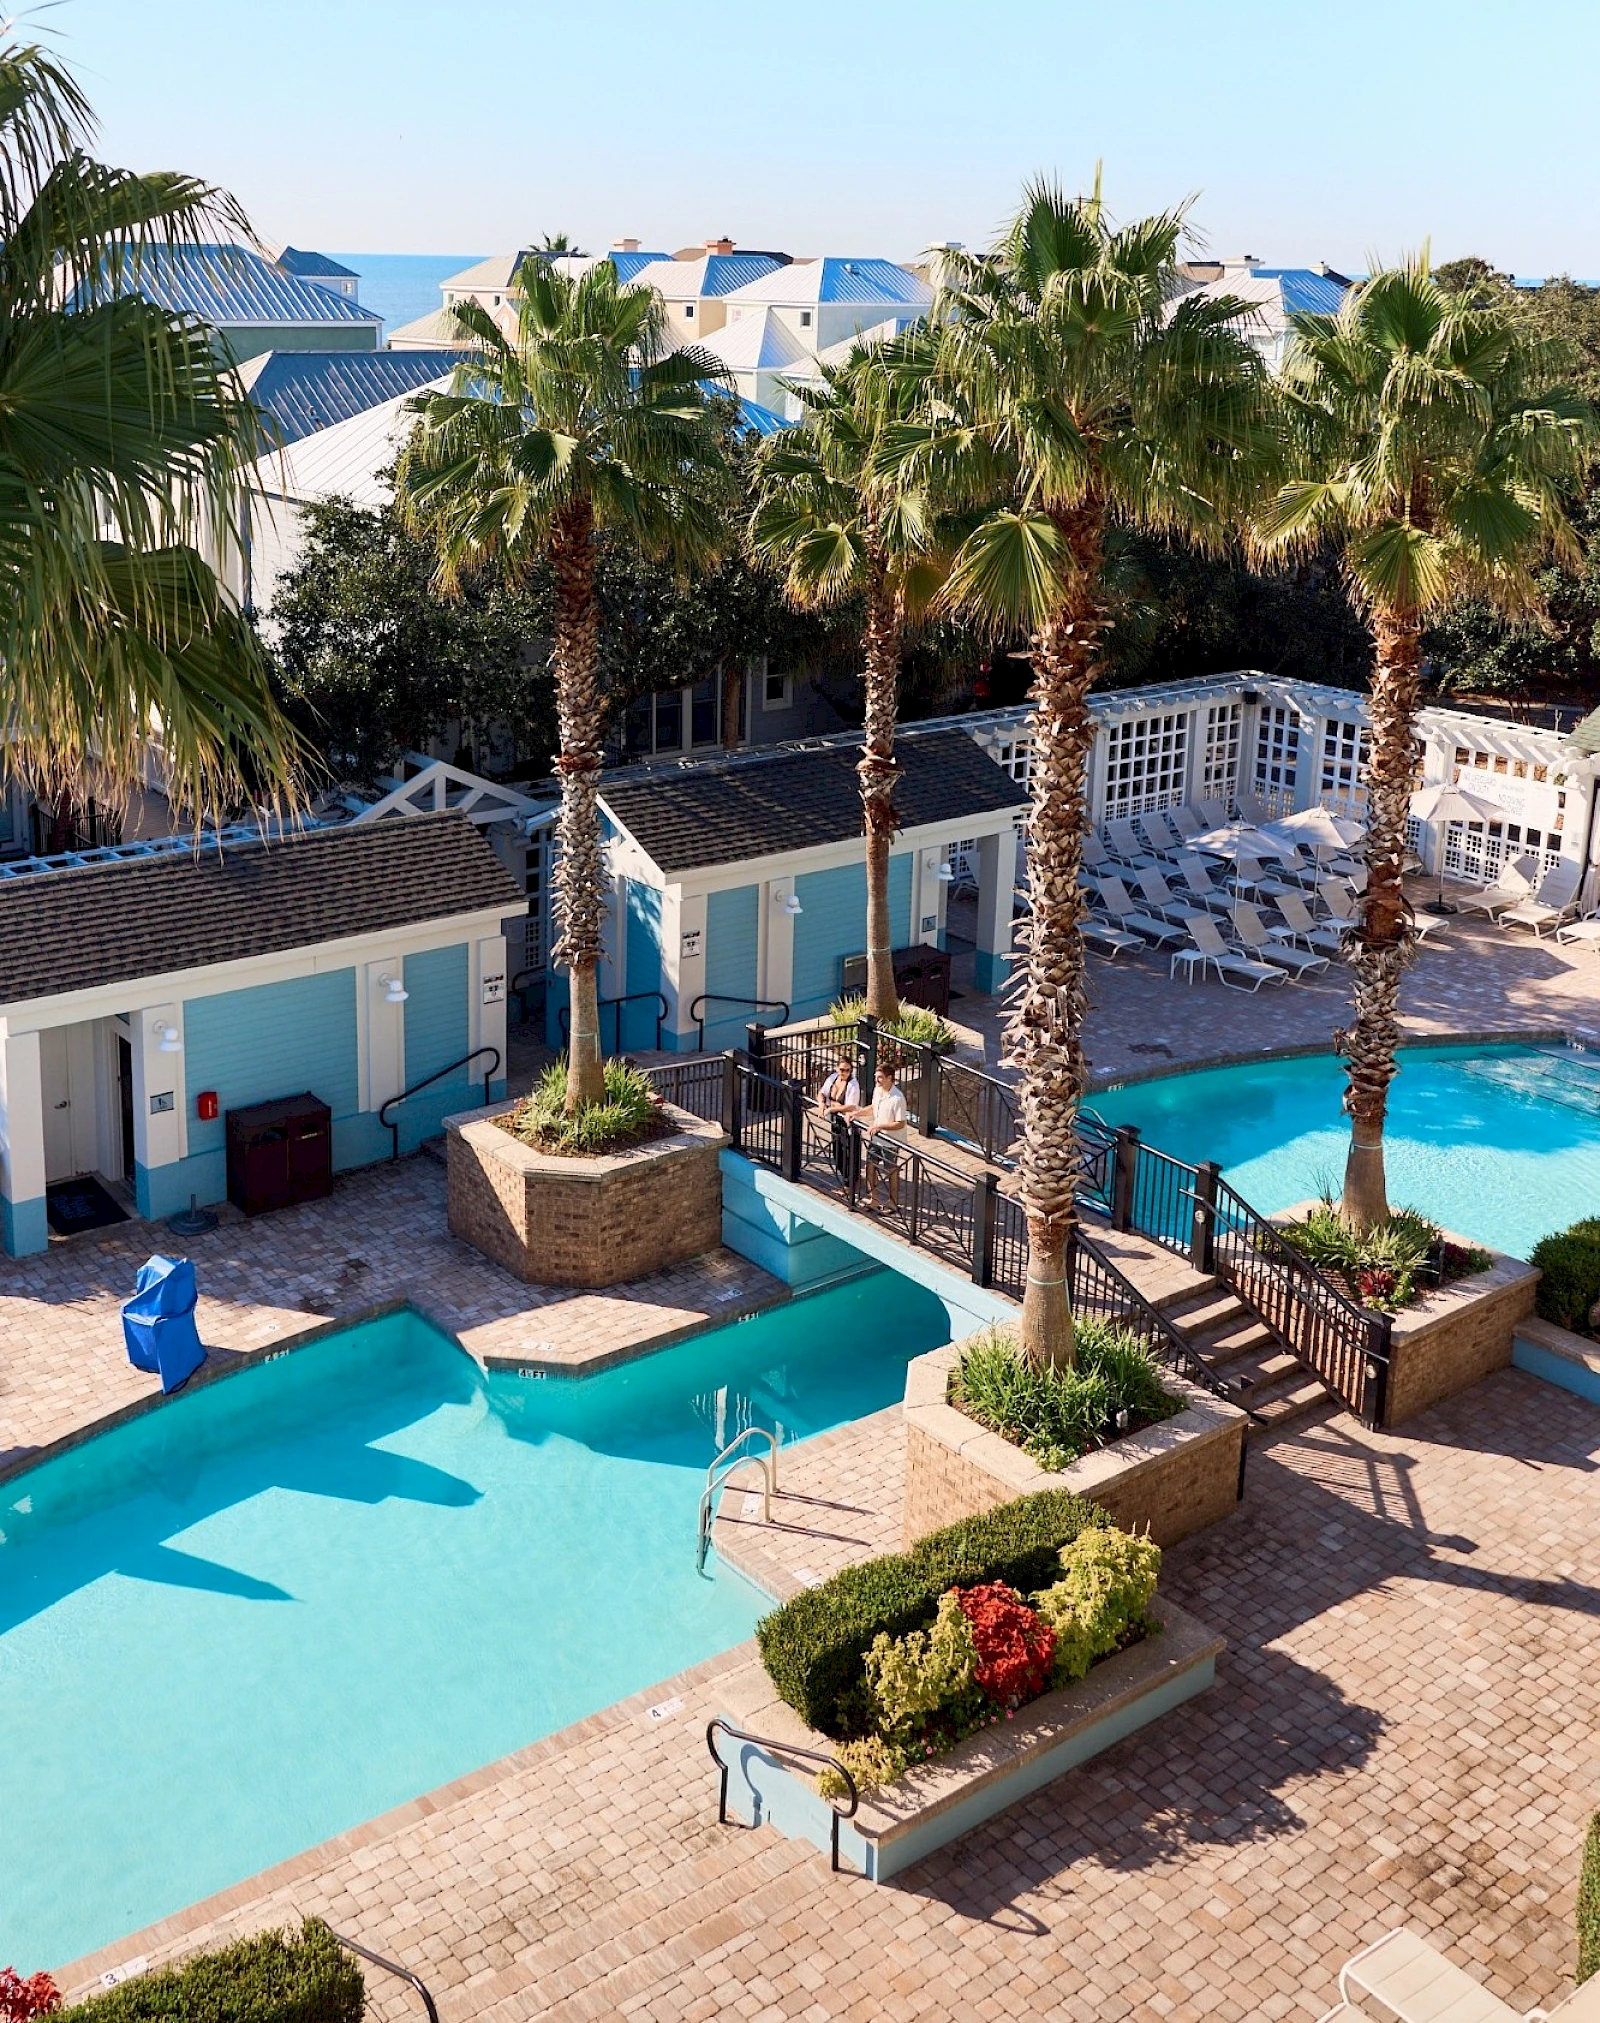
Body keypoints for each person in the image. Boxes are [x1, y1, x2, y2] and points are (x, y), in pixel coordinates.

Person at [855, 1061, 909, 1209]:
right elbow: (873, 1108)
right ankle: (874, 1199)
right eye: (876, 1077)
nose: (876, 1080)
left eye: (880, 1077)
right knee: (870, 1166)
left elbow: (900, 1123)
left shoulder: (898, 1098)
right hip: (876, 1138)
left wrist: (880, 1126)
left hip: (890, 1141)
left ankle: (893, 1203)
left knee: (891, 1171)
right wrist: (857, 1113)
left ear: (889, 1078)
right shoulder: (878, 1091)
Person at [818, 1051, 861, 1180]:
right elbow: (822, 1092)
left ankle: (851, 1183)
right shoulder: (833, 1078)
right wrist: (821, 1104)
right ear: (837, 1068)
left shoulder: (853, 1084)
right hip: (836, 1120)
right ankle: (848, 1178)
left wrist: (831, 1109)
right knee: (837, 1151)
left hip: (848, 1121)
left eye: (848, 1070)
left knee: (850, 1153)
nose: (845, 1073)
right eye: (842, 1070)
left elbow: (851, 1106)